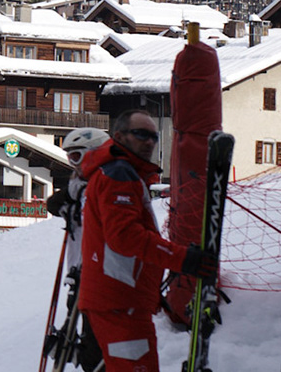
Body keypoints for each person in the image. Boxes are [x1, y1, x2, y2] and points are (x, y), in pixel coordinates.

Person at [77, 109, 216, 372]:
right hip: (119, 300)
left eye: (154, 136)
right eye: (141, 134)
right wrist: (182, 258)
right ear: (120, 136)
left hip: (123, 298)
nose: (149, 142)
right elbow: (125, 237)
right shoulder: (118, 174)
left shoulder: (123, 171)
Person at [44, 126, 108, 372]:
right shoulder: (78, 185)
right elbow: (55, 204)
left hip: (99, 275)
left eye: (77, 156)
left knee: (95, 346)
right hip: (79, 271)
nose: (74, 165)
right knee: (80, 337)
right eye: (70, 157)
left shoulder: (106, 184)